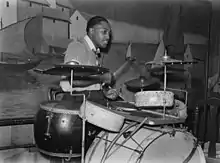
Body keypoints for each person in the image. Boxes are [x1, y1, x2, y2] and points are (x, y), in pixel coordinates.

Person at [59, 15, 134, 152]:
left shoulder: (94, 53)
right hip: (77, 106)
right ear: (91, 31)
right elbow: (73, 79)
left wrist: (105, 92)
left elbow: (90, 83)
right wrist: (101, 78)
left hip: (91, 102)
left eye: (109, 33)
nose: (108, 37)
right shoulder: (77, 46)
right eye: (104, 32)